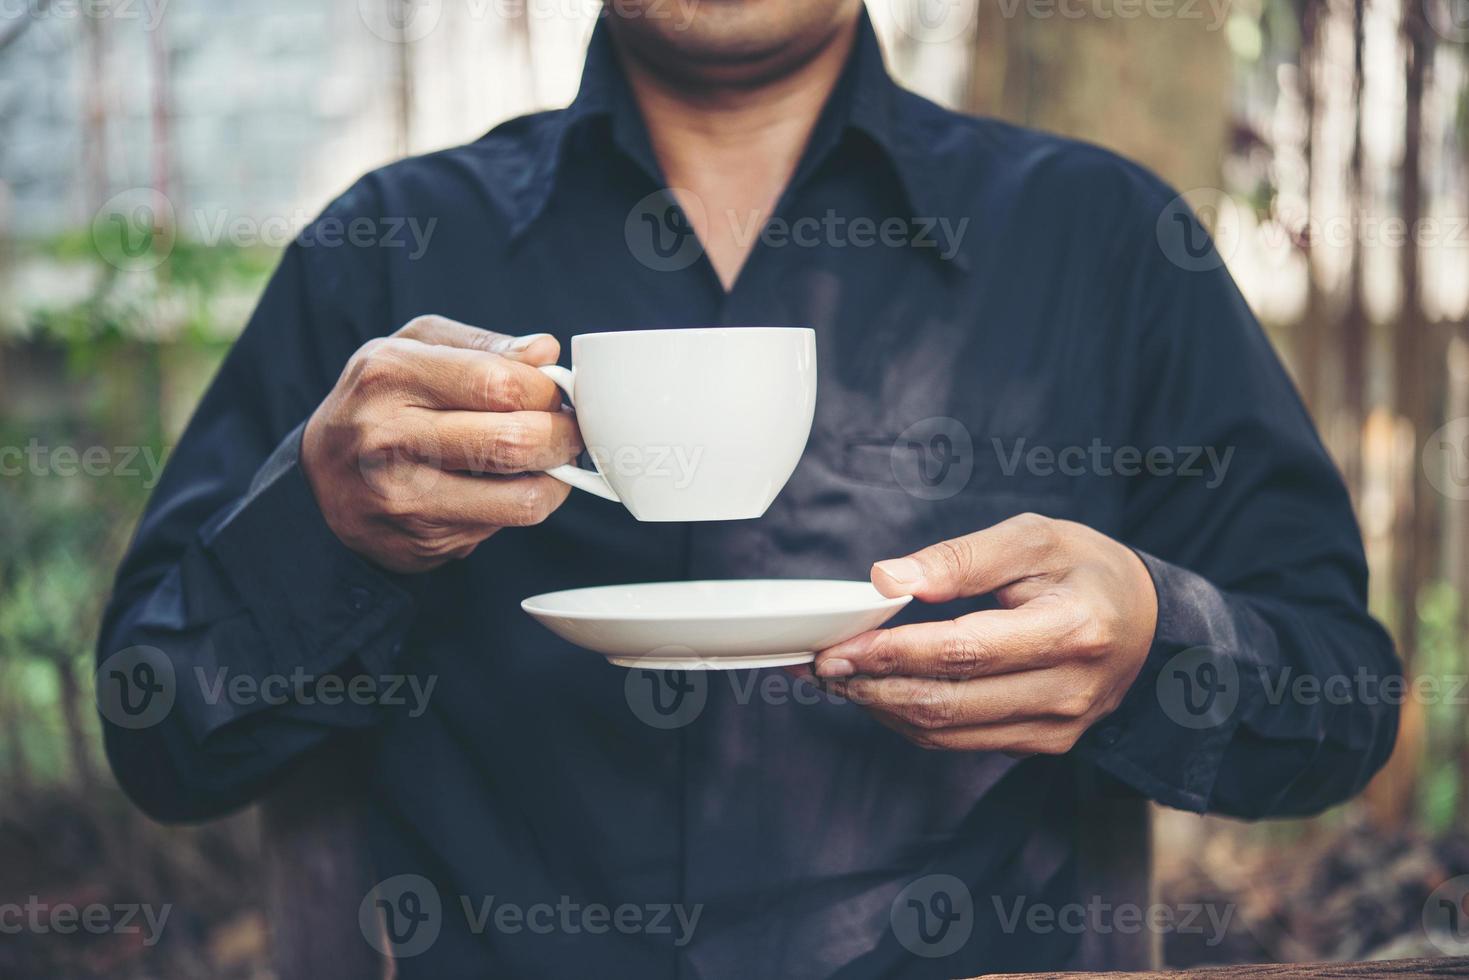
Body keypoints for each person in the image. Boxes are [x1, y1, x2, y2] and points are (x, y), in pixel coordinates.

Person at [97, 1, 1400, 975]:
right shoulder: (384, 255)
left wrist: (1146, 645)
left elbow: (1335, 700)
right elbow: (159, 735)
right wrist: (326, 532)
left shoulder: (1098, 241)